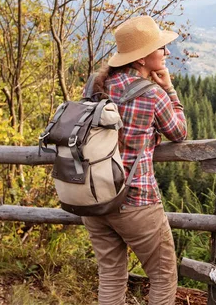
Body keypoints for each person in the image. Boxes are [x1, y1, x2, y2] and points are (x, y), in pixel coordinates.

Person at [82, 15, 187, 305]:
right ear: (141, 59)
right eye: (160, 48)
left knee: (112, 274)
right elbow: (178, 132)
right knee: (163, 275)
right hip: (135, 199)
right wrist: (169, 89)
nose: (166, 53)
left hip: (93, 196)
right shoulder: (151, 94)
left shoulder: (95, 84)